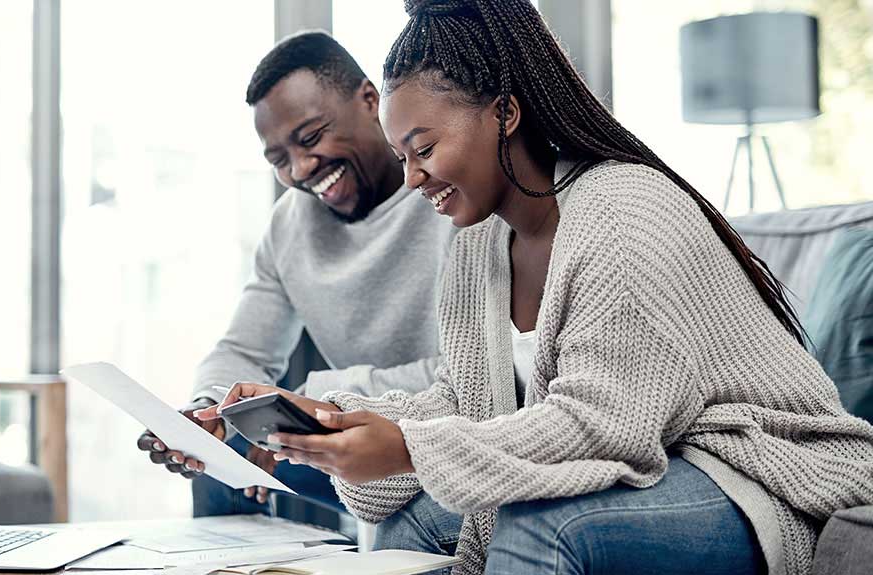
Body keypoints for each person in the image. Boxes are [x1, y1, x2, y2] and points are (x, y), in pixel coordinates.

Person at [196, 1, 873, 574]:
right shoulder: (478, 246)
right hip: (651, 460)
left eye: (424, 150)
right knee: (420, 512)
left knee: (536, 524)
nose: (411, 178)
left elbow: (602, 425)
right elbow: (464, 401)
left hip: (749, 470)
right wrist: (331, 414)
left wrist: (407, 445)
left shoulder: (623, 210)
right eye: (402, 155)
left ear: (507, 112)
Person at [137, 31, 456, 517]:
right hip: (339, 430)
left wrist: (310, 402)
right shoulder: (290, 224)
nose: (302, 168)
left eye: (310, 138)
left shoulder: (450, 193)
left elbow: (467, 377)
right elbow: (243, 350)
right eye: (278, 159)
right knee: (221, 462)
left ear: (370, 100)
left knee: (285, 443)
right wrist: (207, 414)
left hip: (433, 435)